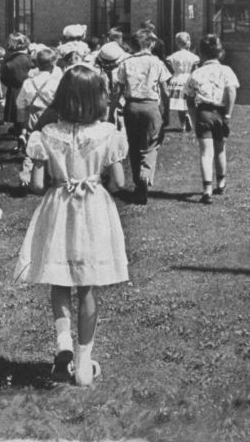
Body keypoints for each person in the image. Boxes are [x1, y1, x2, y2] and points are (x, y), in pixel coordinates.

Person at [13, 65, 130, 386]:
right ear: (99, 99)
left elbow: (37, 184)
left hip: (59, 207)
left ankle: (63, 345)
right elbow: (119, 183)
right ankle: (82, 364)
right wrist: (98, 174)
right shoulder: (108, 134)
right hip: (93, 208)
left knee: (60, 278)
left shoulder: (46, 135)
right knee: (88, 283)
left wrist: (56, 175)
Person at [117, 28, 171, 205]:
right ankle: (145, 174)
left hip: (131, 106)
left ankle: (138, 185)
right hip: (150, 105)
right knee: (152, 142)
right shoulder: (157, 62)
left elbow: (118, 89)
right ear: (152, 44)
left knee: (134, 144)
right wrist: (166, 111)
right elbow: (164, 90)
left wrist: (111, 109)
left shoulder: (126, 62)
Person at [184, 34, 240, 205]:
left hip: (204, 112)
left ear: (201, 53)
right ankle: (221, 183)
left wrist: (194, 116)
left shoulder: (197, 73)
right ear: (221, 53)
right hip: (221, 112)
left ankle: (207, 188)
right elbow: (231, 91)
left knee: (206, 152)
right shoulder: (226, 71)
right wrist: (228, 114)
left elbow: (188, 96)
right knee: (221, 148)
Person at [15, 46, 61, 186]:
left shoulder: (29, 82)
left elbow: (20, 103)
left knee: (31, 144)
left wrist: (23, 121)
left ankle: (25, 177)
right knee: (54, 145)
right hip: (52, 114)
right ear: (53, 64)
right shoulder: (56, 82)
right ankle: (53, 176)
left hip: (33, 114)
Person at [0, 32, 34, 145]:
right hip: (30, 89)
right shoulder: (31, 59)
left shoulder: (9, 61)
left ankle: (18, 133)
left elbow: (4, 78)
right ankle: (24, 135)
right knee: (27, 115)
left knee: (17, 115)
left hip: (15, 89)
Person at [165, 32, 198, 133]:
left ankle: (183, 124)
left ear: (177, 43)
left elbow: (169, 70)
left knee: (180, 104)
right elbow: (195, 71)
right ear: (188, 43)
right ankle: (188, 115)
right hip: (188, 78)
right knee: (189, 101)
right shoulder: (193, 57)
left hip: (177, 79)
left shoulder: (173, 56)